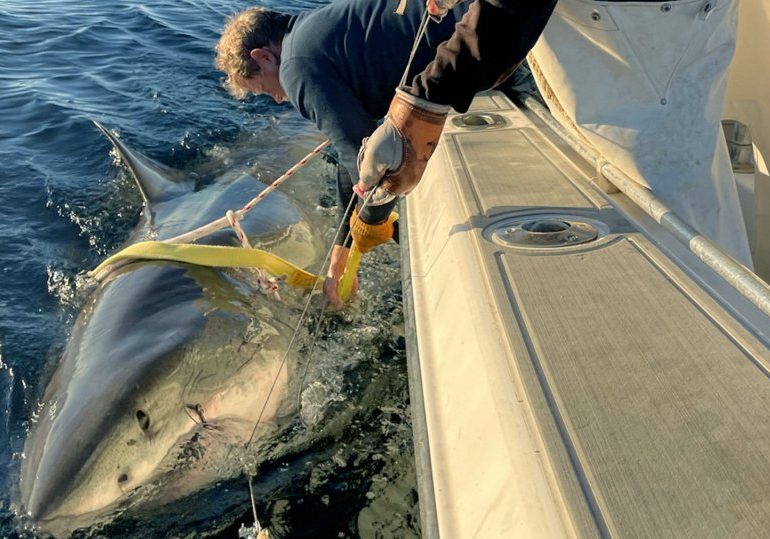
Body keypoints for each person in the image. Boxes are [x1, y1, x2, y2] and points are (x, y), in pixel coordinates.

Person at [357, 0, 753, 268]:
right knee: (678, 186)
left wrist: (426, 102)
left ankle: (733, 337)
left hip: (651, 36)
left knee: (672, 204)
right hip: (643, 30)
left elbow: (511, 9)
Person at [215, 0, 556, 307]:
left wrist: (375, 226)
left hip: (494, 34)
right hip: (507, 35)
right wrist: (341, 250)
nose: (278, 99)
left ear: (263, 57)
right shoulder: (315, 32)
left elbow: (368, 161)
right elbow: (354, 152)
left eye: (265, 88)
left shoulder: (295, 68)